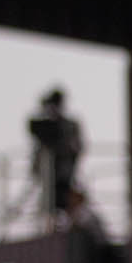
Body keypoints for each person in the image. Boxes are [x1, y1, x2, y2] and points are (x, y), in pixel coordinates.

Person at [26, 86, 82, 216]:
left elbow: (75, 146)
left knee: (61, 202)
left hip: (63, 174)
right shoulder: (46, 125)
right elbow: (34, 128)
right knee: (51, 204)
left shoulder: (69, 125)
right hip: (50, 173)